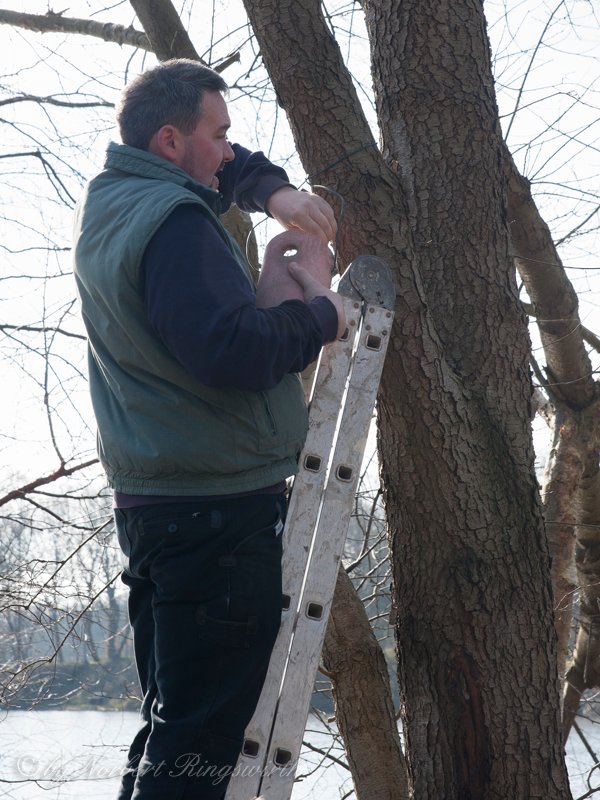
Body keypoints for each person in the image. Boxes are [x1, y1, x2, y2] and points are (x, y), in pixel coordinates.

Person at [72, 58, 345, 800]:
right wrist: (320, 318)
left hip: (162, 511)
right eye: (218, 133)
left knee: (172, 728)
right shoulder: (176, 224)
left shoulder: (117, 200)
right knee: (201, 746)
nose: (230, 151)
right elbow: (229, 351)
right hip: (216, 523)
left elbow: (226, 170)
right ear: (169, 140)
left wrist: (275, 192)